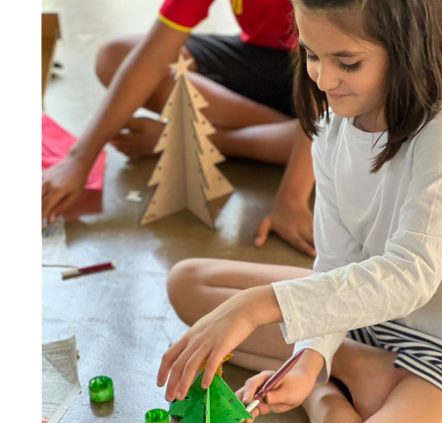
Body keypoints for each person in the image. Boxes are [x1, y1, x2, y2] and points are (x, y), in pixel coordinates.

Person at [157, 0, 442, 423]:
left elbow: (410, 275)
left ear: (407, 49)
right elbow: (336, 261)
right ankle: (347, 366)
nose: (324, 79)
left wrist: (266, 319)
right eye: (310, 54)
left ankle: (324, 397)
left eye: (347, 63)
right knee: (189, 282)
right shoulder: (332, 123)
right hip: (362, 315)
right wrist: (311, 358)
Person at [41, 0, 316, 257]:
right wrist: (79, 159)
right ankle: (295, 138)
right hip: (266, 60)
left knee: (339, 120)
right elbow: (154, 53)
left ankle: (214, 139)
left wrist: (292, 199)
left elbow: (333, 71)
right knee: (115, 56)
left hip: (322, 72)